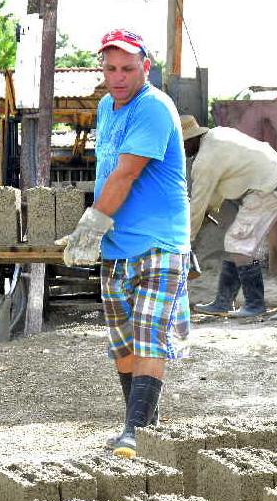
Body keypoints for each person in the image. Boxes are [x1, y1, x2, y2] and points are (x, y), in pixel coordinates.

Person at [57, 29, 190, 458]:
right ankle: (141, 427)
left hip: (159, 243)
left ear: (145, 68)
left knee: (150, 336)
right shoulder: (105, 107)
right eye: (111, 68)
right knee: (123, 342)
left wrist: (90, 225)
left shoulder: (153, 108)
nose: (118, 77)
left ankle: (134, 430)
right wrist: (99, 233)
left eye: (127, 68)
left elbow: (126, 173)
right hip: (118, 245)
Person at [182, 116, 277, 318]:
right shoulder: (218, 135)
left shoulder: (205, 160)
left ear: (189, 140)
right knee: (235, 240)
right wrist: (209, 208)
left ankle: (254, 304)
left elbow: (198, 203)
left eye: (181, 145)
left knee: (238, 241)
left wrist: (187, 240)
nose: (181, 152)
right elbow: (214, 192)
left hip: (272, 186)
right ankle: (223, 302)